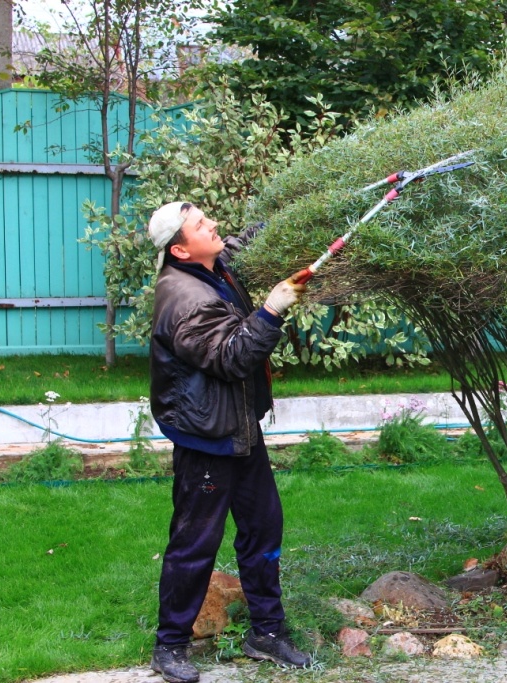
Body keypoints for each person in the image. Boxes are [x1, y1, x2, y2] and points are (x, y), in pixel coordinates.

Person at [146, 201, 311, 683]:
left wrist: (294, 212)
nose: (213, 225)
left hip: (237, 427)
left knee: (263, 527)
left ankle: (266, 633)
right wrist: (271, 311)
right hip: (206, 439)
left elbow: (241, 244)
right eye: (201, 225)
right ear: (180, 249)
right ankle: (170, 645)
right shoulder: (185, 299)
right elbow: (232, 357)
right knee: (195, 543)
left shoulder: (210, 267)